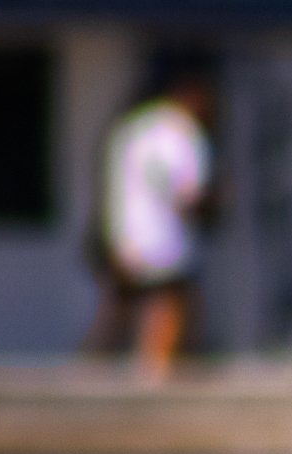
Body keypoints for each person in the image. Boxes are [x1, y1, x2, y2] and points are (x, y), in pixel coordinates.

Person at [84, 64, 215, 382]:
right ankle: (155, 373)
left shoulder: (134, 128)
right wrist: (218, 202)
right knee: (169, 302)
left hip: (123, 232)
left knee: (118, 309)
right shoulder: (182, 132)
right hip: (164, 237)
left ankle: (90, 373)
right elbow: (188, 192)